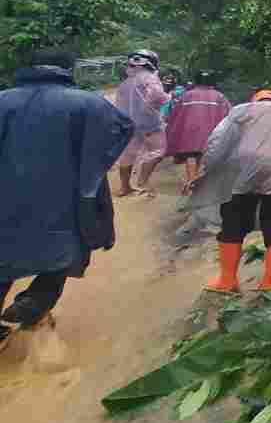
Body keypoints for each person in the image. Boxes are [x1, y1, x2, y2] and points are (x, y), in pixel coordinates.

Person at [0, 51, 133, 343]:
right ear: (67, 70)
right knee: (64, 249)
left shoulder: (3, 99)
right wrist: (90, 162)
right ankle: (34, 301)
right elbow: (122, 128)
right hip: (64, 194)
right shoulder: (87, 102)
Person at [190, 89, 271, 293]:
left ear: (255, 100)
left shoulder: (240, 110)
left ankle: (227, 281)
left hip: (242, 172)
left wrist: (205, 169)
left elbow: (218, 141)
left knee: (233, 223)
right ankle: (269, 282)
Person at [165, 70, 231, 192]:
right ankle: (203, 184)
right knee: (206, 156)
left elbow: (175, 114)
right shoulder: (219, 96)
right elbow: (229, 115)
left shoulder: (187, 95)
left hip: (190, 132)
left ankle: (191, 181)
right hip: (212, 132)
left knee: (191, 155)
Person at [114, 49, 169, 197]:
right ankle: (143, 181)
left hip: (128, 124)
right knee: (159, 151)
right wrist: (167, 98)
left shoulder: (125, 83)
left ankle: (124, 187)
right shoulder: (150, 78)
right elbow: (158, 96)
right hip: (150, 123)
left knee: (127, 155)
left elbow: (118, 105)